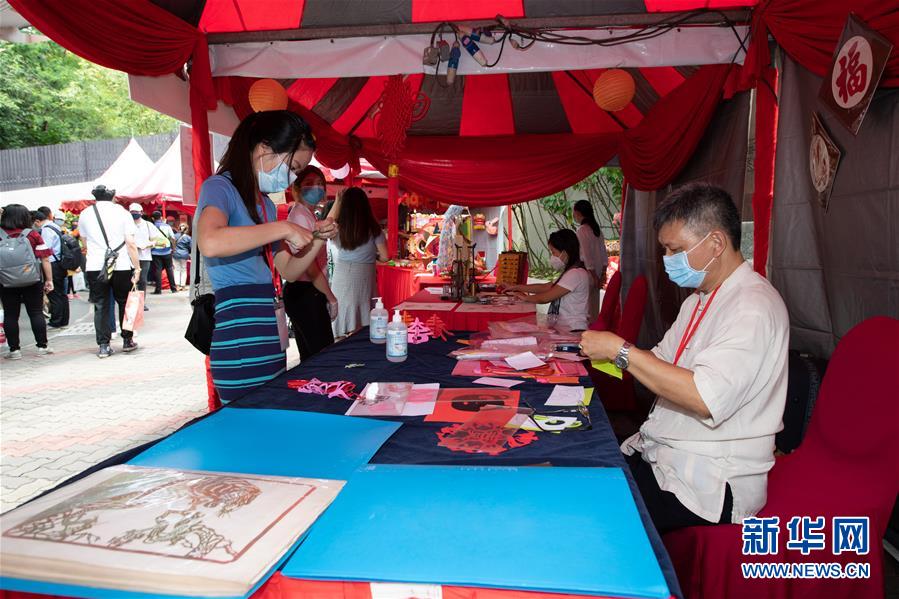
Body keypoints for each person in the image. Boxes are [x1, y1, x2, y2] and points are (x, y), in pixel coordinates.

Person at [579, 183, 789, 534]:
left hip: (707, 480)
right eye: (665, 250)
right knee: (583, 463)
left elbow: (703, 397)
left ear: (717, 243)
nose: (668, 262)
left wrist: (619, 351)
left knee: (591, 509)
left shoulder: (752, 307)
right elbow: (655, 362)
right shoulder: (700, 300)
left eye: (676, 250)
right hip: (665, 453)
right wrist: (587, 358)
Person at [195, 110, 337, 403]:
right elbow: (209, 241)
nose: (292, 177)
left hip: (268, 332)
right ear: (264, 149)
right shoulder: (220, 187)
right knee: (247, 430)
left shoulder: (265, 205)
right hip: (239, 333)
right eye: (293, 166)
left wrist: (316, 240)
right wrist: (283, 228)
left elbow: (288, 270)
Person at [77, 185, 142, 358]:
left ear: (95, 197)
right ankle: (127, 340)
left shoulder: (85, 214)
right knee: (124, 302)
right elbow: (130, 242)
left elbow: (83, 241)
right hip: (120, 263)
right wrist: (137, 267)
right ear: (113, 196)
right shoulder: (122, 213)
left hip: (96, 265)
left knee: (101, 305)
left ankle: (104, 345)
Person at [283, 166, 337, 359]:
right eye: (308, 184)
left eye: (320, 184)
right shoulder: (299, 216)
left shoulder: (307, 214)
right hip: (305, 291)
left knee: (312, 354)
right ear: (296, 189)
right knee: (321, 356)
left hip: (307, 291)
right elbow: (310, 266)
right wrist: (331, 297)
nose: (316, 188)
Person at [503, 229, 591, 331]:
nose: (552, 256)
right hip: (563, 328)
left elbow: (546, 297)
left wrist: (525, 298)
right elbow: (546, 287)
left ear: (565, 252)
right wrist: (515, 287)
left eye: (553, 252)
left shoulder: (576, 274)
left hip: (573, 329)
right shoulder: (569, 272)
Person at [328, 187, 387, 338]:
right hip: (365, 277)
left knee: (341, 321)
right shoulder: (374, 228)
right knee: (365, 323)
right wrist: (373, 256)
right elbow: (386, 257)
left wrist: (337, 202)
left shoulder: (337, 228)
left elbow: (326, 224)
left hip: (342, 278)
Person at [1, 204, 55, 359]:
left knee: (11, 315)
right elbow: (45, 259)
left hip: (5, 281)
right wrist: (49, 280)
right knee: (36, 312)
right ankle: (42, 346)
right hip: (32, 279)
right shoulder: (32, 234)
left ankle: (14, 351)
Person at [572, 199, 608, 323]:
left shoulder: (582, 230)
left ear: (578, 213)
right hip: (596, 273)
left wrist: (594, 276)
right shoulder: (597, 230)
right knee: (593, 309)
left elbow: (586, 256)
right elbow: (604, 255)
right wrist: (602, 273)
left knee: (585, 310)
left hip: (589, 274)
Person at [36, 207, 70, 329]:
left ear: (37, 221)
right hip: (60, 262)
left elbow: (45, 250)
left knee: (54, 293)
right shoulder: (55, 226)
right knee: (62, 294)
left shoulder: (46, 230)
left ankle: (56, 321)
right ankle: (64, 320)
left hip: (52, 264)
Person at [129, 203, 161, 310]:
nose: (134, 214)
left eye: (136, 212)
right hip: (129, 257)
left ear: (141, 212)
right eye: (132, 212)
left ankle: (141, 303)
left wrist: (149, 244)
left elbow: (156, 239)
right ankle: (130, 302)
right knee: (130, 280)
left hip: (144, 256)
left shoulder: (148, 225)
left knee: (142, 280)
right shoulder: (127, 224)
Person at [151, 210, 177, 294]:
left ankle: (158, 290)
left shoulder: (151, 226)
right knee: (169, 269)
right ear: (161, 217)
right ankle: (173, 289)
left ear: (152, 218)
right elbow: (172, 238)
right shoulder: (167, 226)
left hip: (155, 251)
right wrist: (173, 248)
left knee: (158, 270)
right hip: (167, 251)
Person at [172, 223, 191, 290]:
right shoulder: (188, 238)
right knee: (183, 270)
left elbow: (172, 245)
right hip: (184, 255)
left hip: (175, 254)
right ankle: (183, 286)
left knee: (176, 270)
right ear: (187, 229)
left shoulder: (174, 236)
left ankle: (177, 286)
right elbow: (190, 247)